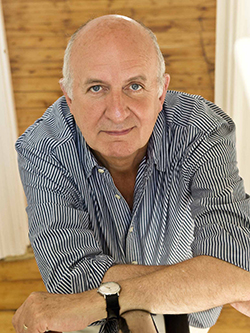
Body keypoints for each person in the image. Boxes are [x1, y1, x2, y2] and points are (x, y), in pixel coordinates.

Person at [12, 14, 250, 333]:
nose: (117, 111)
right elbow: (69, 277)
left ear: (161, 90)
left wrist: (110, 298)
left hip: (184, 317)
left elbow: (233, 264)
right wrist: (203, 280)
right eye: (97, 88)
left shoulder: (202, 130)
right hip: (94, 320)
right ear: (69, 96)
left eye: (134, 86)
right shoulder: (42, 147)